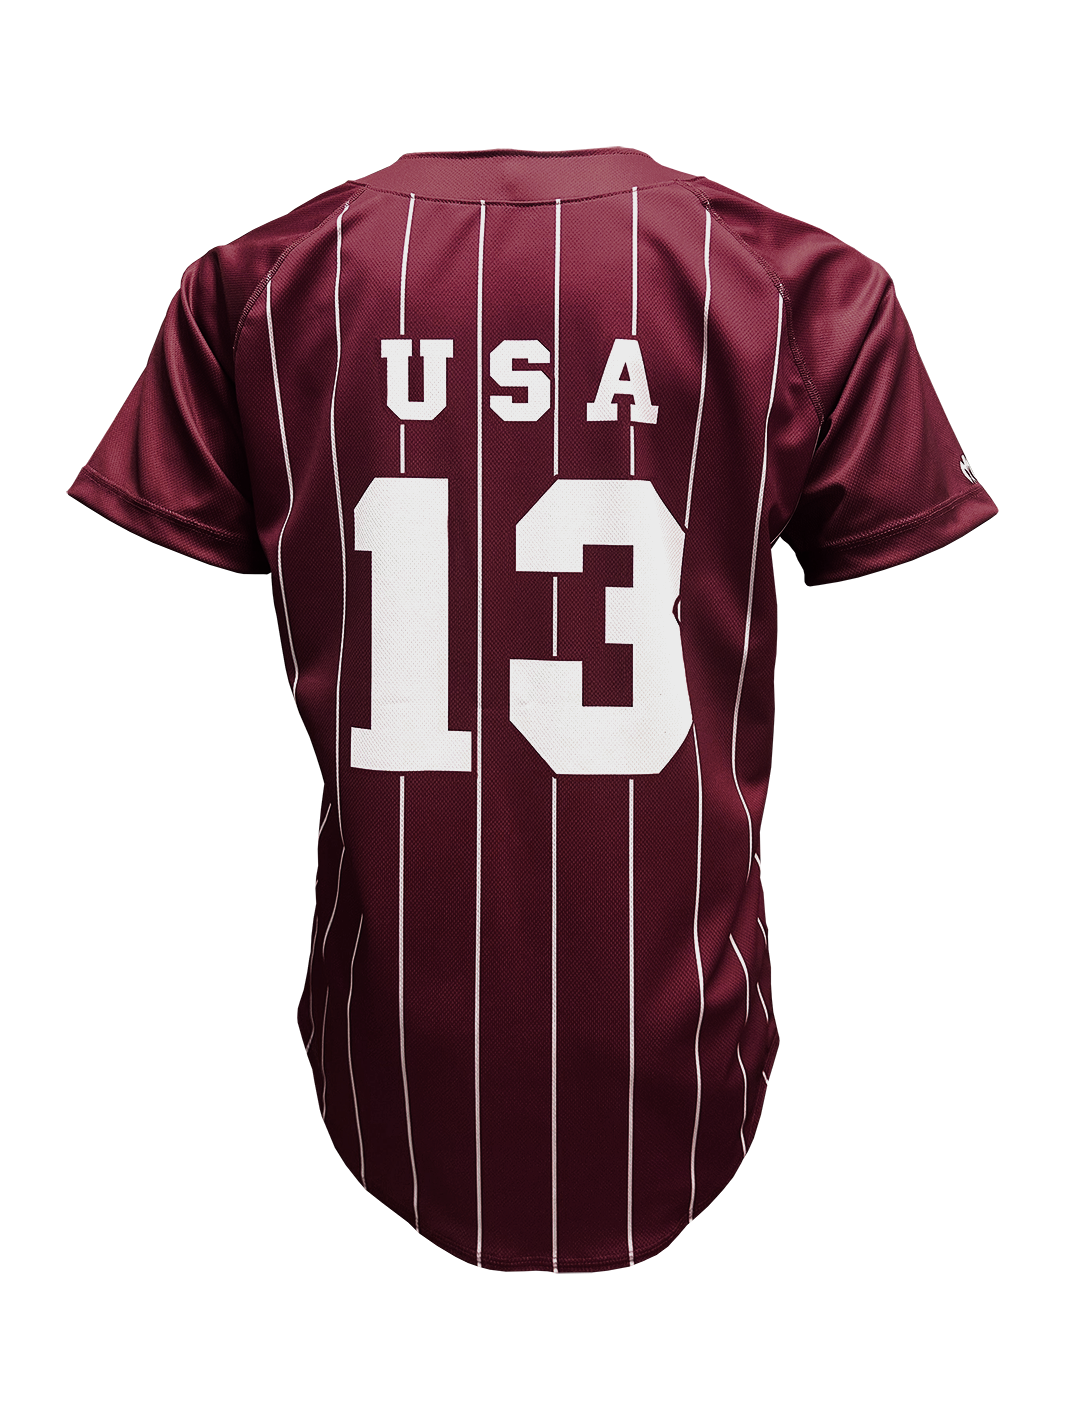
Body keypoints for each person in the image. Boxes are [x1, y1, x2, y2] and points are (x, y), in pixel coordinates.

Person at [67, 146, 997, 1273]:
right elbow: (933, 640)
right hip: (697, 1085)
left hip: (377, 1097)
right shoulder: (798, 283)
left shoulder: (262, 281)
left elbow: (119, 622)